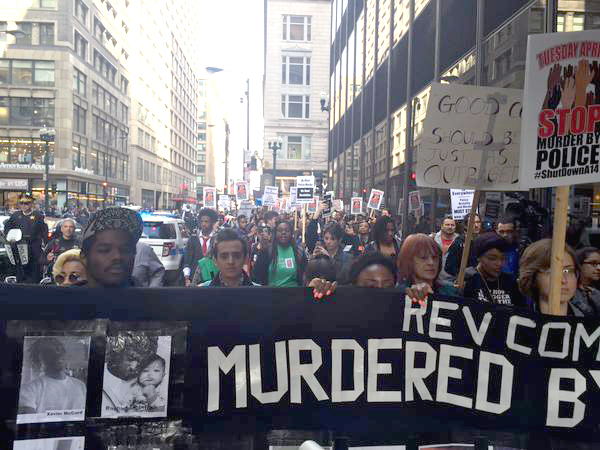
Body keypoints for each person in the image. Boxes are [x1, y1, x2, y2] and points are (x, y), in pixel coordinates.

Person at [18, 338, 86, 414]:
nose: (57, 355)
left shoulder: (80, 386)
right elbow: (30, 422)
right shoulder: (29, 389)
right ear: (39, 360)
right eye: (49, 353)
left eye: (59, 349)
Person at [80, 206, 143, 288]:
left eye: (125, 250)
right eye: (105, 250)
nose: (117, 257)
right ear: (84, 257)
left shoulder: (153, 300)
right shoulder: (64, 299)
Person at [519, 239, 579, 316]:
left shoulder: (591, 324)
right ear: (533, 278)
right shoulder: (516, 324)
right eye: (551, 272)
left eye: (567, 271)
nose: (563, 280)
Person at [462, 232, 524, 306]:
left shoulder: (510, 282)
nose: (499, 263)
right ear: (479, 258)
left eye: (503, 258)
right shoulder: (469, 280)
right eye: (492, 258)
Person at [397, 234, 458, 304]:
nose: (431, 263)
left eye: (435, 257)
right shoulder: (398, 294)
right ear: (409, 261)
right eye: (423, 257)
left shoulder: (451, 293)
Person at [4, 193, 48, 283]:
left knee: (34, 273)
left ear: (31, 204)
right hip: (20, 248)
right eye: (22, 203)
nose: (24, 205)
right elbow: (7, 228)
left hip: (34, 248)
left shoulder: (38, 216)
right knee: (20, 272)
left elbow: (44, 231)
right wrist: (10, 237)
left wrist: (46, 246)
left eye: (27, 203)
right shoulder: (15, 216)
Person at [253, 219, 307, 286]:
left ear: (291, 233)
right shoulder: (267, 250)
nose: (283, 232)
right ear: (275, 233)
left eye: (287, 230)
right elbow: (257, 274)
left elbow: (305, 274)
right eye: (280, 230)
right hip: (271, 294)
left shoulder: (299, 251)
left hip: (294, 293)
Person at [182, 208, 218, 286]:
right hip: (194, 279)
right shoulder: (193, 239)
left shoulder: (217, 239)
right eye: (202, 221)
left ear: (212, 222)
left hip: (212, 279)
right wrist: (187, 278)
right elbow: (187, 260)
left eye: (206, 221)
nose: (203, 224)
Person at [444, 213, 481, 279]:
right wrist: (463, 273)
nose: (476, 225)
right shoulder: (459, 243)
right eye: (472, 222)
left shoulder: (483, 241)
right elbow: (448, 267)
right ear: (466, 226)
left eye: (478, 222)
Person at [573, 247, 600, 316]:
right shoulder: (568, 291)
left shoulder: (596, 293)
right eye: (594, 264)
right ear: (579, 265)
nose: (599, 268)